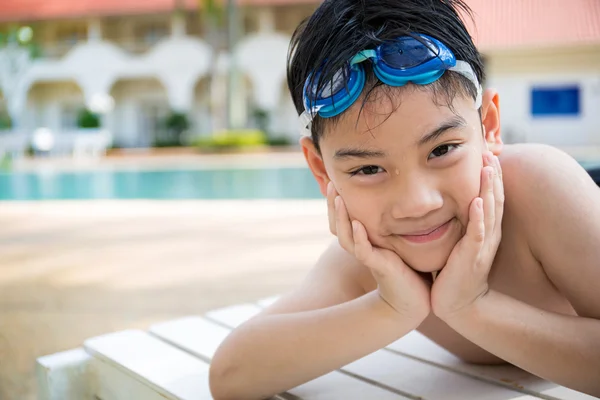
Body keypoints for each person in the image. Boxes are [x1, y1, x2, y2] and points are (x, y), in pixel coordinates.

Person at [209, 0, 600, 398]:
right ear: (322, 169)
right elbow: (231, 377)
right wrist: (392, 307)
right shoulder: (370, 257)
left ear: (489, 125)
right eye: (367, 170)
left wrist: (473, 306)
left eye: (442, 150)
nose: (417, 203)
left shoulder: (539, 188)